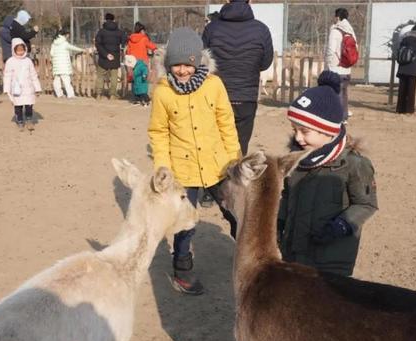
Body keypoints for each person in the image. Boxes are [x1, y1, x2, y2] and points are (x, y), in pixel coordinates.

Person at [148, 27, 241, 295]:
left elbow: (226, 122)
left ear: (198, 61)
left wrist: (234, 158)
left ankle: (249, 254)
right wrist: (163, 168)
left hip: (218, 165)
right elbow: (159, 133)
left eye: (188, 64)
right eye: (176, 64)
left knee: (236, 211)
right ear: (168, 64)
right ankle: (182, 267)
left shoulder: (214, 85)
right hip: (182, 170)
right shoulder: (163, 92)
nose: (182, 70)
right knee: (185, 223)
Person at [278, 71, 378, 276]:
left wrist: (342, 225)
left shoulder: (354, 164)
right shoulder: (297, 159)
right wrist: (278, 223)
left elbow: (366, 204)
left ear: (328, 130)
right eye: (294, 129)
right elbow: (287, 195)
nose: (298, 137)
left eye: (304, 131)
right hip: (294, 252)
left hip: (331, 258)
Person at [202, 0, 273, 156]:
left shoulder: (212, 28)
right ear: (250, 1)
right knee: (240, 145)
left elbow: (203, 60)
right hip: (246, 96)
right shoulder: (261, 30)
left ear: (227, 1)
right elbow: (266, 63)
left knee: (215, 142)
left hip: (216, 94)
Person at [325, 8, 357, 121]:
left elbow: (330, 50)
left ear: (337, 17)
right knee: (344, 94)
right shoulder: (351, 32)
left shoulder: (335, 31)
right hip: (347, 69)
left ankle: (336, 118)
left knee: (335, 93)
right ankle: (344, 117)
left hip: (336, 68)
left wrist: (329, 65)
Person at [3, 38, 41, 132]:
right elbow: (7, 76)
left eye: (22, 50)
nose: (20, 52)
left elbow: (33, 75)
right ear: (14, 50)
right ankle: (20, 121)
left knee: (29, 106)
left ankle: (29, 120)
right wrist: (6, 89)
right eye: (18, 50)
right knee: (18, 106)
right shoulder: (10, 62)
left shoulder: (28, 61)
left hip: (28, 88)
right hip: (17, 89)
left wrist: (37, 88)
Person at [94, 12, 126, 100]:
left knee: (100, 76)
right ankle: (112, 94)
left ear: (105, 19)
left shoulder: (101, 31)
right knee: (114, 76)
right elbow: (124, 39)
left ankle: (99, 94)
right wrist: (121, 46)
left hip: (103, 57)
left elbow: (98, 44)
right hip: (115, 56)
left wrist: (106, 54)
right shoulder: (119, 31)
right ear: (114, 20)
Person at [396, 23, 416, 114]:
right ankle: (409, 110)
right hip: (413, 69)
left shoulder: (404, 38)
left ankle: (400, 109)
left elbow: (399, 51)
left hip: (402, 67)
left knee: (402, 90)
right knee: (411, 91)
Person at [50, 28, 86, 99]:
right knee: (66, 80)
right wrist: (82, 50)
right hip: (64, 65)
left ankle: (59, 94)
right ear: (65, 35)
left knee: (56, 80)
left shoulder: (54, 43)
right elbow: (73, 48)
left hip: (56, 65)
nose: (68, 36)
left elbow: (51, 53)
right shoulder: (64, 43)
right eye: (68, 34)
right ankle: (70, 95)